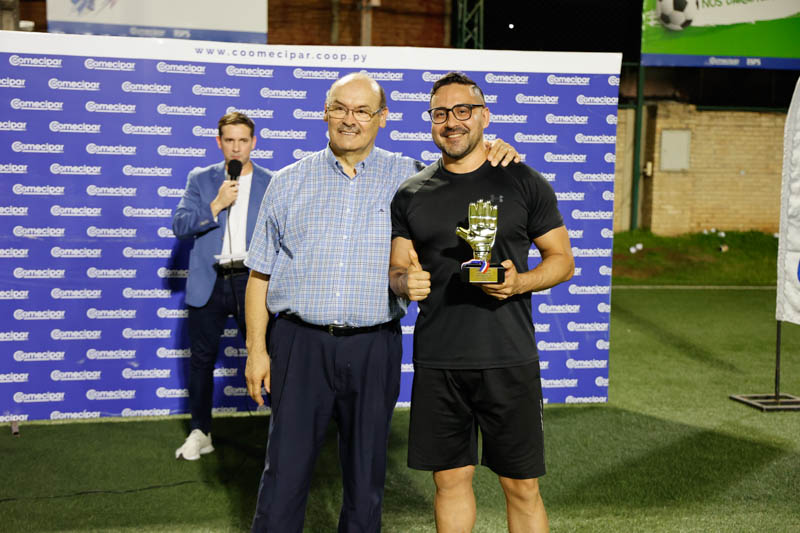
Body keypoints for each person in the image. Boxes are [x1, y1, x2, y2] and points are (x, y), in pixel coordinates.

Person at [243, 72, 519, 533]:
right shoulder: (288, 182)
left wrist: (497, 150)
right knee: (283, 474)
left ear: (382, 118)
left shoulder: (413, 178)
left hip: (374, 347)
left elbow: (466, 169)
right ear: (324, 113)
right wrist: (257, 349)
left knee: (367, 475)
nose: (349, 120)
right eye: (339, 108)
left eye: (362, 111)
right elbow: (259, 273)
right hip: (298, 345)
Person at [389, 72, 574, 533]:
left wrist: (519, 283)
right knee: (450, 481)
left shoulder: (525, 182)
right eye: (440, 113)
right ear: (430, 122)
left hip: (507, 358)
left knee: (521, 487)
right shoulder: (410, 193)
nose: (451, 122)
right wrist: (402, 282)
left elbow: (563, 261)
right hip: (439, 361)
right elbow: (396, 270)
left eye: (462, 111)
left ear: (483, 116)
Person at [172, 112, 272, 460]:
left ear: (253, 143)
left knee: (268, 355)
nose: (236, 147)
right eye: (229, 140)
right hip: (209, 281)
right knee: (201, 361)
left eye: (243, 140)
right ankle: (201, 432)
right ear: (219, 142)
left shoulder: (270, 181)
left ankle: (282, 430)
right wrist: (216, 204)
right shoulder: (201, 179)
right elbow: (180, 226)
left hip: (253, 281)